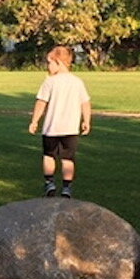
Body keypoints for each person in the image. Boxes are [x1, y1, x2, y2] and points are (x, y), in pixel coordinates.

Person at [28, 45, 91, 198]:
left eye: (49, 63)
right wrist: (86, 121)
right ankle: (66, 188)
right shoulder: (77, 82)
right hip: (70, 128)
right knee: (68, 158)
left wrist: (34, 121)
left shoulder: (50, 82)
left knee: (49, 156)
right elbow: (85, 102)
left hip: (51, 128)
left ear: (58, 62)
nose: (47, 67)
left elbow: (41, 102)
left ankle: (50, 183)